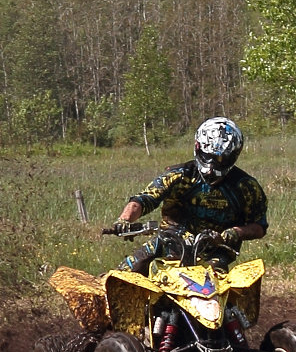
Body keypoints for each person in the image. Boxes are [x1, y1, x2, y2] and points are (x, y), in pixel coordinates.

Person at [113, 117, 268, 274]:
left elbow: (259, 226)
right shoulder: (178, 175)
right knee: (123, 275)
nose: (211, 168)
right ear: (197, 147)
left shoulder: (246, 187)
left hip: (215, 252)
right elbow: (144, 199)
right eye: (208, 157)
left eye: (220, 160)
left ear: (234, 156)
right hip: (170, 241)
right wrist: (124, 220)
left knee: (215, 287)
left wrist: (234, 233)